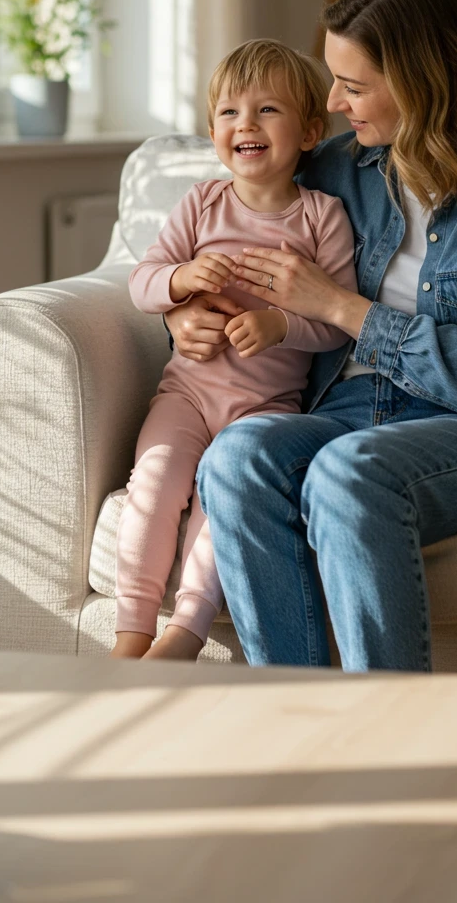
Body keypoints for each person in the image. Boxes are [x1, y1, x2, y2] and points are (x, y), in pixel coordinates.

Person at [166, 0, 457, 671]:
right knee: (238, 458)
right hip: (346, 410)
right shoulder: (336, 169)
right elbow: (225, 234)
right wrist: (184, 315)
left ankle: (390, 726)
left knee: (347, 471)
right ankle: (297, 721)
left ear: (421, 83)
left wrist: (341, 307)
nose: (333, 102)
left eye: (353, 86)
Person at [112, 40, 357, 661]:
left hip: (267, 407)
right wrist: (179, 285)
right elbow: (141, 279)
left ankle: (182, 635)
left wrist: (281, 325)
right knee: (156, 482)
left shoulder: (322, 218)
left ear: (308, 132)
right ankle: (131, 632)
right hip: (187, 393)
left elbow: (335, 324)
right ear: (213, 130)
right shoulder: (200, 204)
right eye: (228, 112)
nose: (244, 124)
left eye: (266, 110)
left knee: (223, 507)